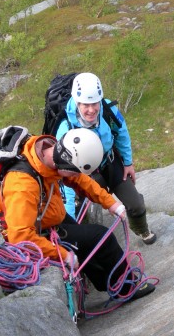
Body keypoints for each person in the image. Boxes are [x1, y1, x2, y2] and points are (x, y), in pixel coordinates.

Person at [0, 127, 155, 300]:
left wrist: (110, 203)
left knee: (86, 239)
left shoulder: (47, 152)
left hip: (46, 217)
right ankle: (125, 288)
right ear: (63, 162)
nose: (75, 175)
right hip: (36, 231)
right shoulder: (22, 184)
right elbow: (20, 237)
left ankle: (107, 282)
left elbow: (79, 179)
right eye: (74, 170)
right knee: (101, 236)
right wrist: (63, 255)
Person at [56, 72, 157, 245]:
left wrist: (127, 163)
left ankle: (141, 229)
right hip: (85, 175)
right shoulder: (66, 128)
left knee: (136, 205)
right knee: (85, 216)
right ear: (77, 102)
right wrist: (71, 222)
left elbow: (121, 133)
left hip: (110, 163)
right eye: (85, 105)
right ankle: (87, 244)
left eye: (94, 103)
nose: (91, 110)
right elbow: (66, 175)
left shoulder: (108, 110)